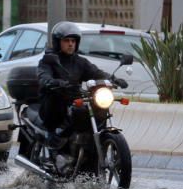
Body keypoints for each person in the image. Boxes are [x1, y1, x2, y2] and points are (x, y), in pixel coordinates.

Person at [36, 22, 127, 158]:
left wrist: (113, 79)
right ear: (57, 42)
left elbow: (96, 73)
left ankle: (90, 148)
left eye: (73, 41)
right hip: (54, 105)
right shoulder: (48, 60)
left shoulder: (80, 62)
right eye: (66, 41)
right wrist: (54, 82)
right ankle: (52, 141)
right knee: (55, 99)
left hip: (74, 99)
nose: (71, 44)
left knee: (94, 108)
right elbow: (43, 76)